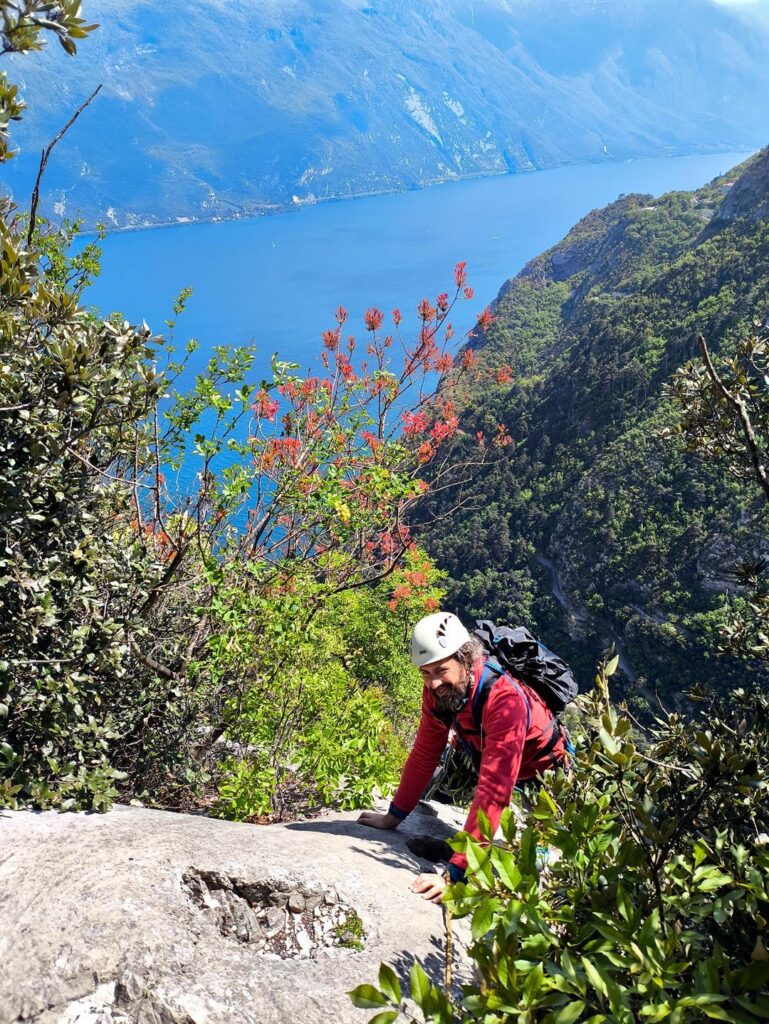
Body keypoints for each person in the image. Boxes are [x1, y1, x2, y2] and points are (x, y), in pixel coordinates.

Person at [358, 611, 569, 903]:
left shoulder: (504, 700)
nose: (432, 683)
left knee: (540, 852)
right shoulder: (440, 690)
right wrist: (393, 817)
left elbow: (494, 792)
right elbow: (424, 753)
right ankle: (453, 840)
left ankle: (538, 886)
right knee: (441, 787)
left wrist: (454, 874)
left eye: (440, 670)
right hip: (478, 748)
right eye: (425, 672)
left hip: (543, 769)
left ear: (465, 658)